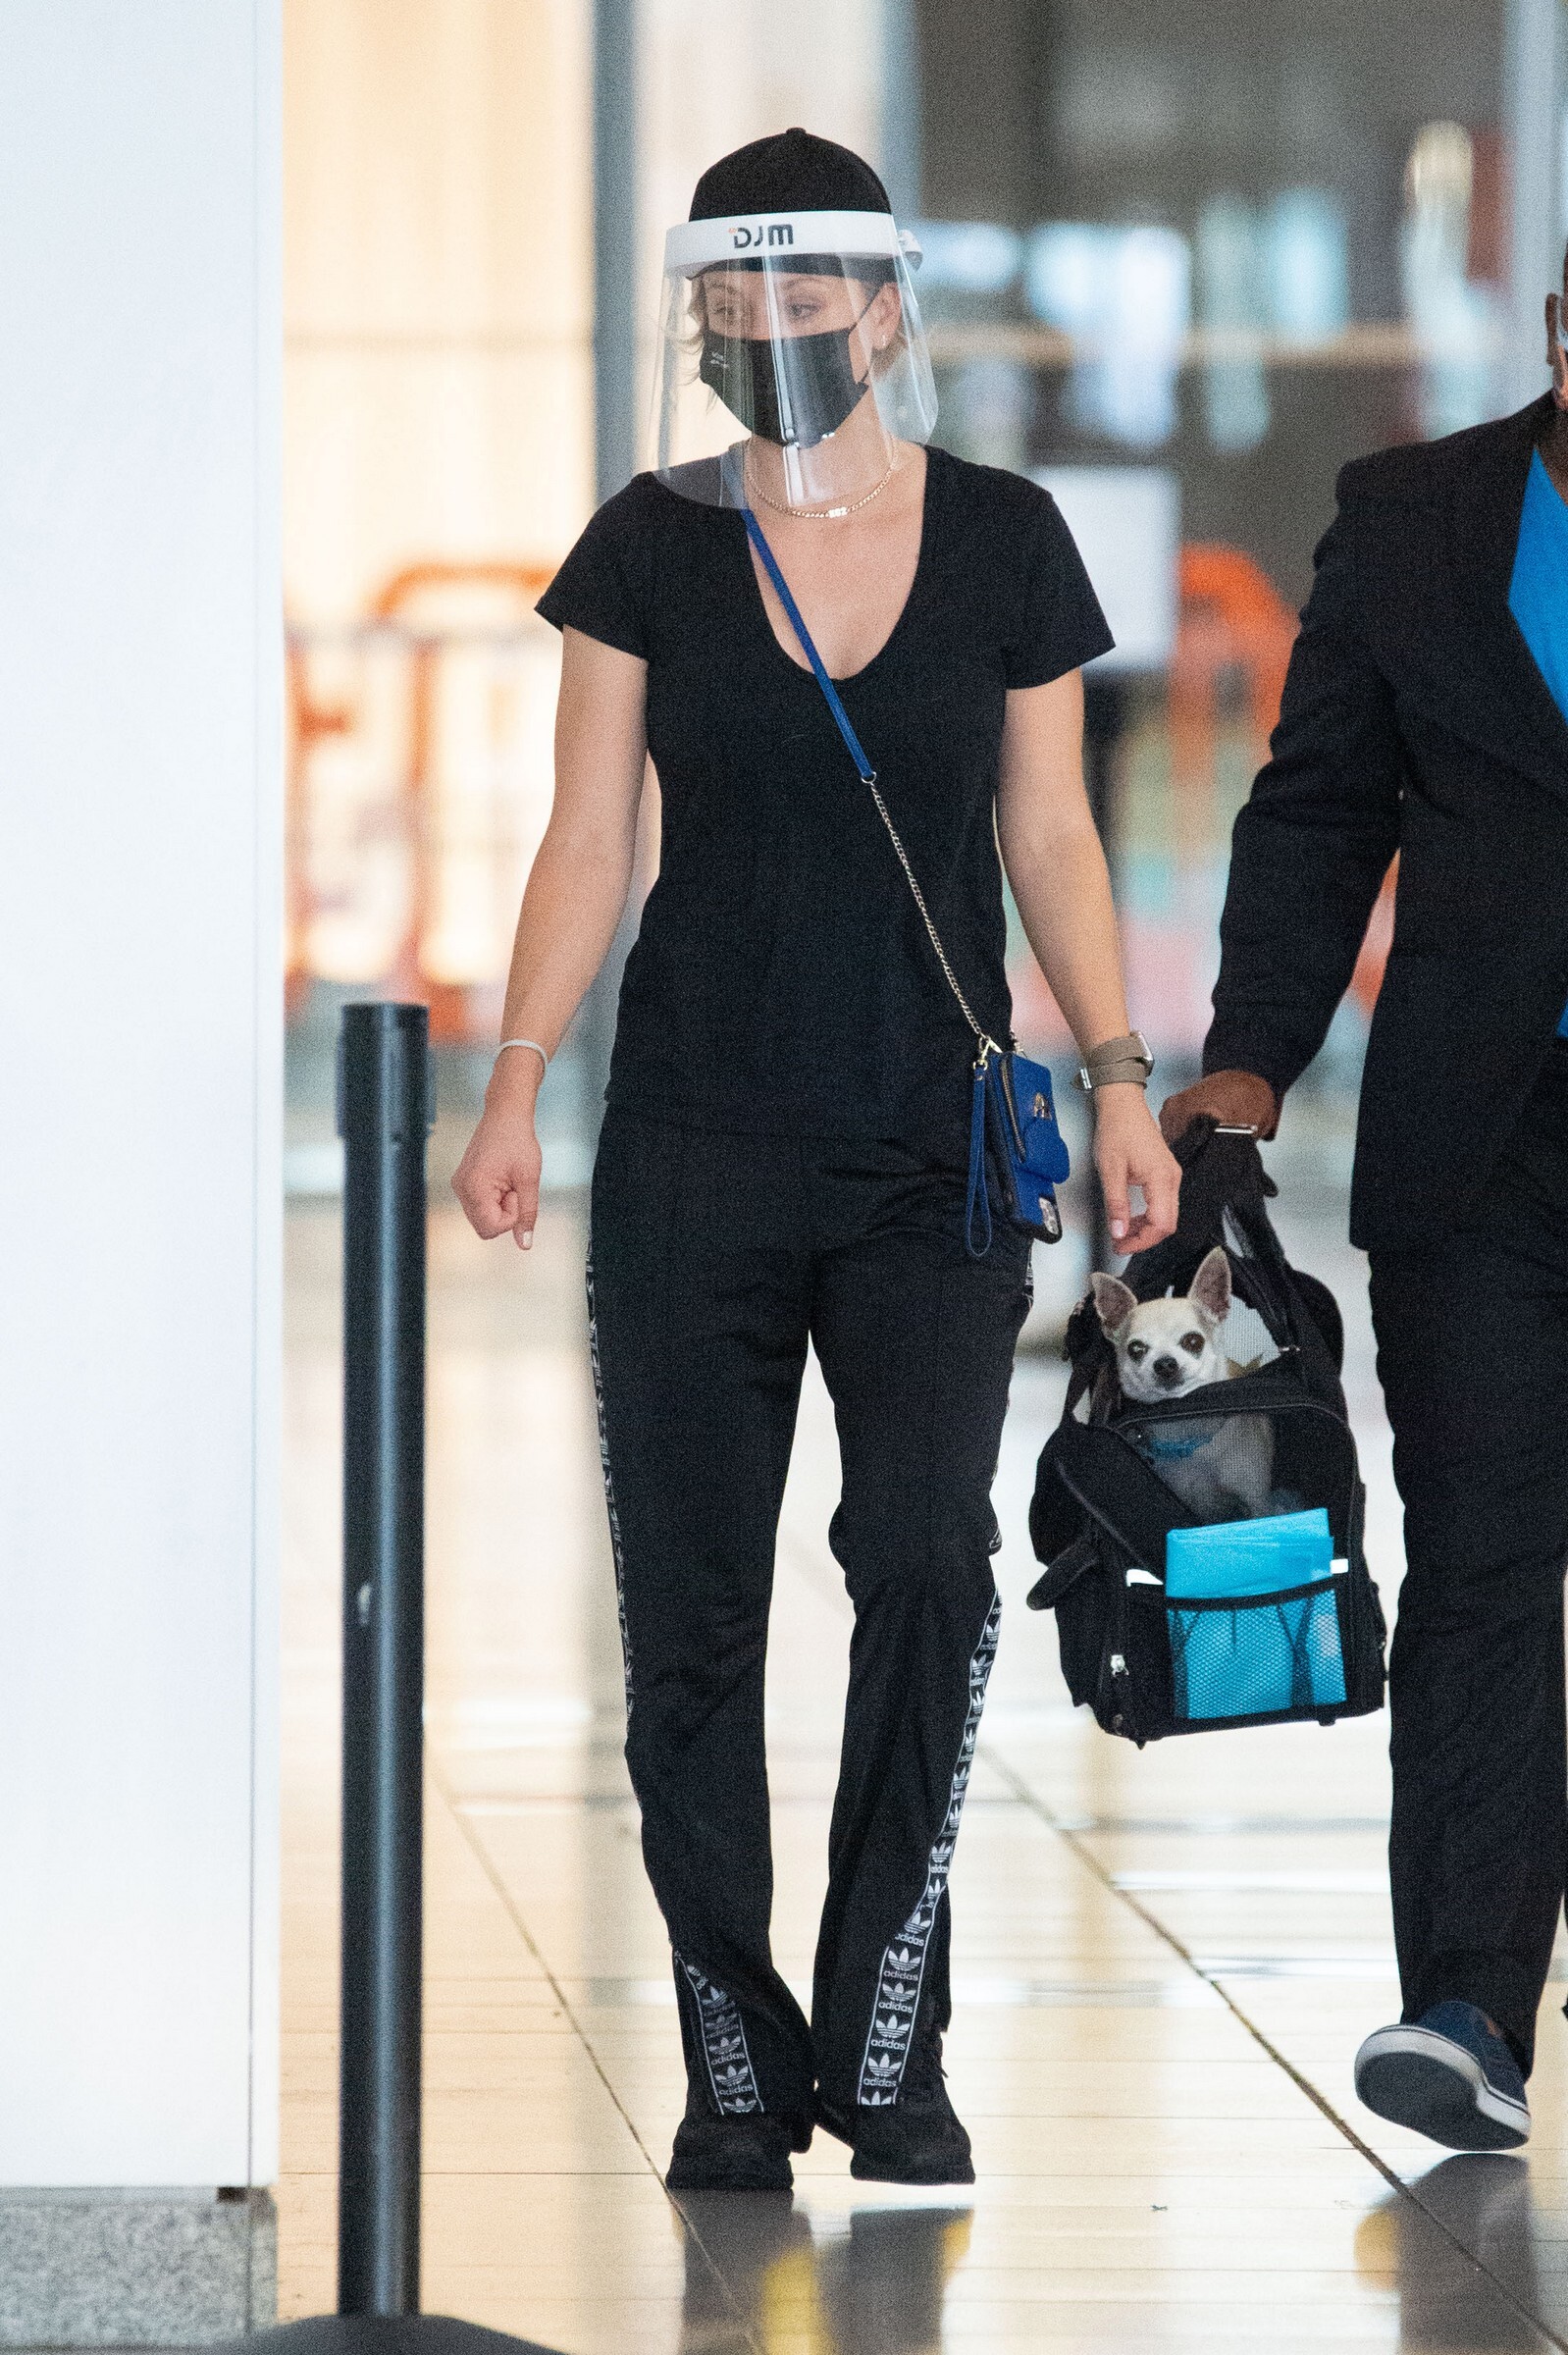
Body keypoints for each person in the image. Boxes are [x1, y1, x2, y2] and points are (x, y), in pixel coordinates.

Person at [454, 127, 1178, 2193]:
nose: (763, 328)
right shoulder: (646, 549)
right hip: (690, 1142)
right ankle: (731, 2060)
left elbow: (1048, 831)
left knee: (929, 1565)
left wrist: (1121, 1077)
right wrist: (514, 1078)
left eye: (798, 292)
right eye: (728, 298)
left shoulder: (1007, 540)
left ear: (880, 308)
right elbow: (590, 832)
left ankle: (884, 2030)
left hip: (926, 1155)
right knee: (688, 1615)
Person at [1163, 244, 1568, 2153]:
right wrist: (1253, 1048)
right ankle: (1467, 2008)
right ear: (1559, 336)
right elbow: (1320, 804)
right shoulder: (1411, 521)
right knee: (1482, 1559)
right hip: (1479, 1140)